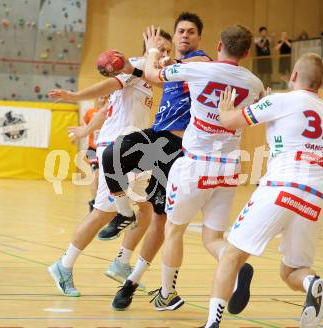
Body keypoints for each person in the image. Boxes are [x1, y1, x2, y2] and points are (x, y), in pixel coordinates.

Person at [112, 24, 264, 313]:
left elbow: (152, 75)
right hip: (230, 168)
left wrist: (153, 49)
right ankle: (234, 269)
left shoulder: (199, 70)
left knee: (173, 230)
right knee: (213, 238)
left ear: (218, 46)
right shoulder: (254, 82)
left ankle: (167, 293)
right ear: (246, 52)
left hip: (196, 164)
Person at [201, 53, 323, 328]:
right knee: (292, 271)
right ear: (320, 83)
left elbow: (231, 121)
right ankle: (312, 282)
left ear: (293, 75)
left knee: (232, 254)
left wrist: (225, 109)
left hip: (283, 185)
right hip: (317, 194)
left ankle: (212, 323)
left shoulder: (283, 99)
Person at [46, 31, 173, 296]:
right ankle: (63, 265)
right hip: (115, 149)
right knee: (102, 212)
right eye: (161, 48)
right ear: (150, 48)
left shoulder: (152, 74)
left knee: (146, 209)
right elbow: (109, 87)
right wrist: (75, 95)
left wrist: (85, 130)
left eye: (167, 49)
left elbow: (107, 108)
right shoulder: (136, 65)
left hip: (134, 148)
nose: (165, 54)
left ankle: (121, 263)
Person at [100, 12, 212, 309]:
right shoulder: (171, 68)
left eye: (191, 31)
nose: (185, 35)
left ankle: (132, 281)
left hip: (178, 147)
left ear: (199, 38)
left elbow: (159, 72)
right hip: (157, 137)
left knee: (161, 219)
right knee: (112, 155)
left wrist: (151, 54)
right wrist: (133, 69)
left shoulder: (202, 62)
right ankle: (124, 212)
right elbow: (158, 79)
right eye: (181, 32)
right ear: (175, 37)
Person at [72, 96, 108, 212]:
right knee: (95, 175)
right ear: (97, 99)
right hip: (92, 149)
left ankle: (103, 202)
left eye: (105, 98)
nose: (102, 100)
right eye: (100, 98)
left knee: (103, 177)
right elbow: (84, 127)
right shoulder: (91, 112)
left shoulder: (111, 113)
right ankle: (94, 202)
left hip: (106, 150)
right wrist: (76, 136)